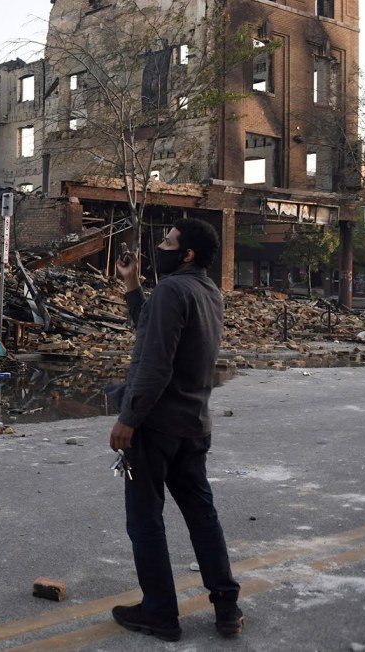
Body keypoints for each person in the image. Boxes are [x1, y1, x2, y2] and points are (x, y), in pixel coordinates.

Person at [109, 218, 242, 642]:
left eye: (168, 242)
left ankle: (160, 612)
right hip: (193, 425)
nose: (160, 247)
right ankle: (226, 605)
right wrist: (132, 284)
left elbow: (155, 364)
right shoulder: (207, 290)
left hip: (156, 428)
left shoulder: (171, 290)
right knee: (202, 515)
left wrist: (129, 419)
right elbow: (151, 329)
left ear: (187, 254)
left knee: (144, 520)